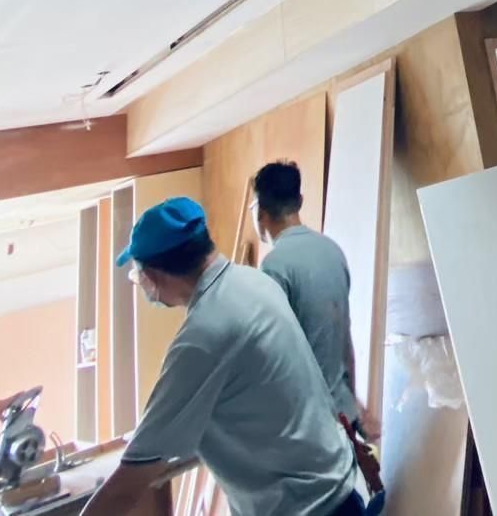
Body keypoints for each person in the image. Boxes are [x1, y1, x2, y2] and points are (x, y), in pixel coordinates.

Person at [82, 197, 362, 516]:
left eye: (138, 276)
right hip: (336, 488)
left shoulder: (202, 338)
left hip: (306, 507)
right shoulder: (254, 281)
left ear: (155, 275)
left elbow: (127, 487)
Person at [252, 162, 374, 437]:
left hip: (305, 422)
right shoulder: (332, 251)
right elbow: (343, 336)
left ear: (260, 212)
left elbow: (274, 353)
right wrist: (354, 405)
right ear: (300, 201)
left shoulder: (275, 265)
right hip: (341, 413)